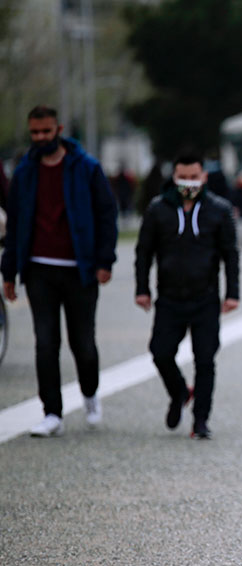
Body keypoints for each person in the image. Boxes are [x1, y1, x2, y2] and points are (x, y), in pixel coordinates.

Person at [0, 105, 118, 437]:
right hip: (39, 269)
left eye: (46, 132)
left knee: (83, 342)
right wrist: (9, 273)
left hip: (79, 270)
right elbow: (16, 225)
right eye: (34, 133)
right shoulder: (24, 174)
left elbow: (107, 214)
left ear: (59, 129)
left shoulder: (86, 168)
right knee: (45, 343)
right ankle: (52, 413)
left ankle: (91, 395)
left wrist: (105, 261)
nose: (40, 138)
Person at [135, 153, 239, 439]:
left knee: (205, 359)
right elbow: (144, 251)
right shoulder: (158, 209)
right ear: (174, 176)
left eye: (194, 177)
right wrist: (142, 288)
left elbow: (230, 254)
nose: (188, 183)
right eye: (183, 177)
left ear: (204, 177)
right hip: (169, 297)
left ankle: (201, 420)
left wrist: (232, 293)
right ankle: (179, 391)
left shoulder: (219, 209)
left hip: (205, 297)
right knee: (160, 353)